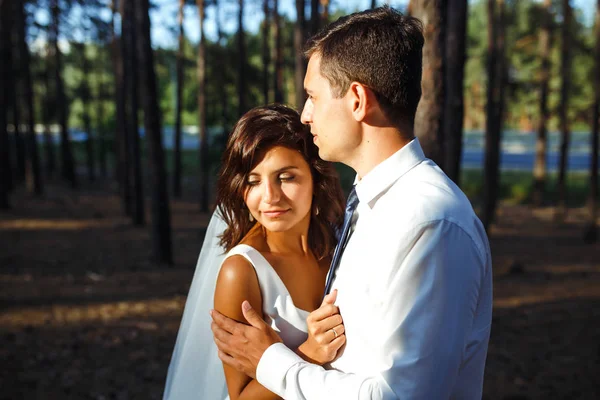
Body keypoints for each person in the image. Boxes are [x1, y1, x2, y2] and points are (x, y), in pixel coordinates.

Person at [210, 6, 493, 399]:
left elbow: (403, 396)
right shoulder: (365, 207)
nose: (306, 115)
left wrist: (271, 361)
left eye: (312, 96)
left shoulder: (430, 222)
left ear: (357, 99)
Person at [162, 104, 346, 400]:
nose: (270, 198)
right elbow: (240, 397)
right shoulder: (242, 272)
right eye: (253, 181)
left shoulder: (340, 240)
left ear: (316, 176)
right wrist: (309, 353)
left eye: (286, 177)